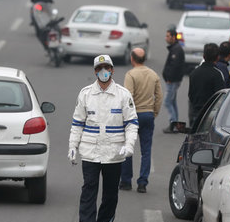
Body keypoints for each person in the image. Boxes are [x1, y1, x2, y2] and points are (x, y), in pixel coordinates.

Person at [68, 55, 139, 222]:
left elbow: (131, 123)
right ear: (95, 72)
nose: (103, 71)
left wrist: (129, 145)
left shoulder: (123, 95)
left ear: (112, 70)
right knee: (88, 190)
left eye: (107, 67)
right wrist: (72, 146)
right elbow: (77, 123)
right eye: (99, 68)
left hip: (114, 154)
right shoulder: (86, 94)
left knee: (110, 194)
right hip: (90, 152)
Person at [119, 48, 163, 194]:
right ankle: (142, 182)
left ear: (132, 58)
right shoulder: (153, 74)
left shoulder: (130, 75)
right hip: (148, 114)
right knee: (146, 150)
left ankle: (126, 181)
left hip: (133, 115)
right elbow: (159, 96)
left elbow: (128, 97)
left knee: (128, 148)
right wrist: (154, 112)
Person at [187, 43, 225, 127]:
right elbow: (221, 97)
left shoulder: (194, 73)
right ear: (218, 57)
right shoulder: (217, 74)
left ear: (203, 56)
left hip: (196, 113)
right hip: (211, 115)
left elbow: (191, 95)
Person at [162, 26, 185, 133]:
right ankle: (175, 124)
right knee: (172, 101)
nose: (166, 38)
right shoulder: (175, 48)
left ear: (173, 37)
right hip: (172, 80)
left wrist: (170, 78)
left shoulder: (176, 50)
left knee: (167, 102)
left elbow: (175, 66)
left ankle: (173, 124)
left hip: (172, 81)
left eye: (168, 36)